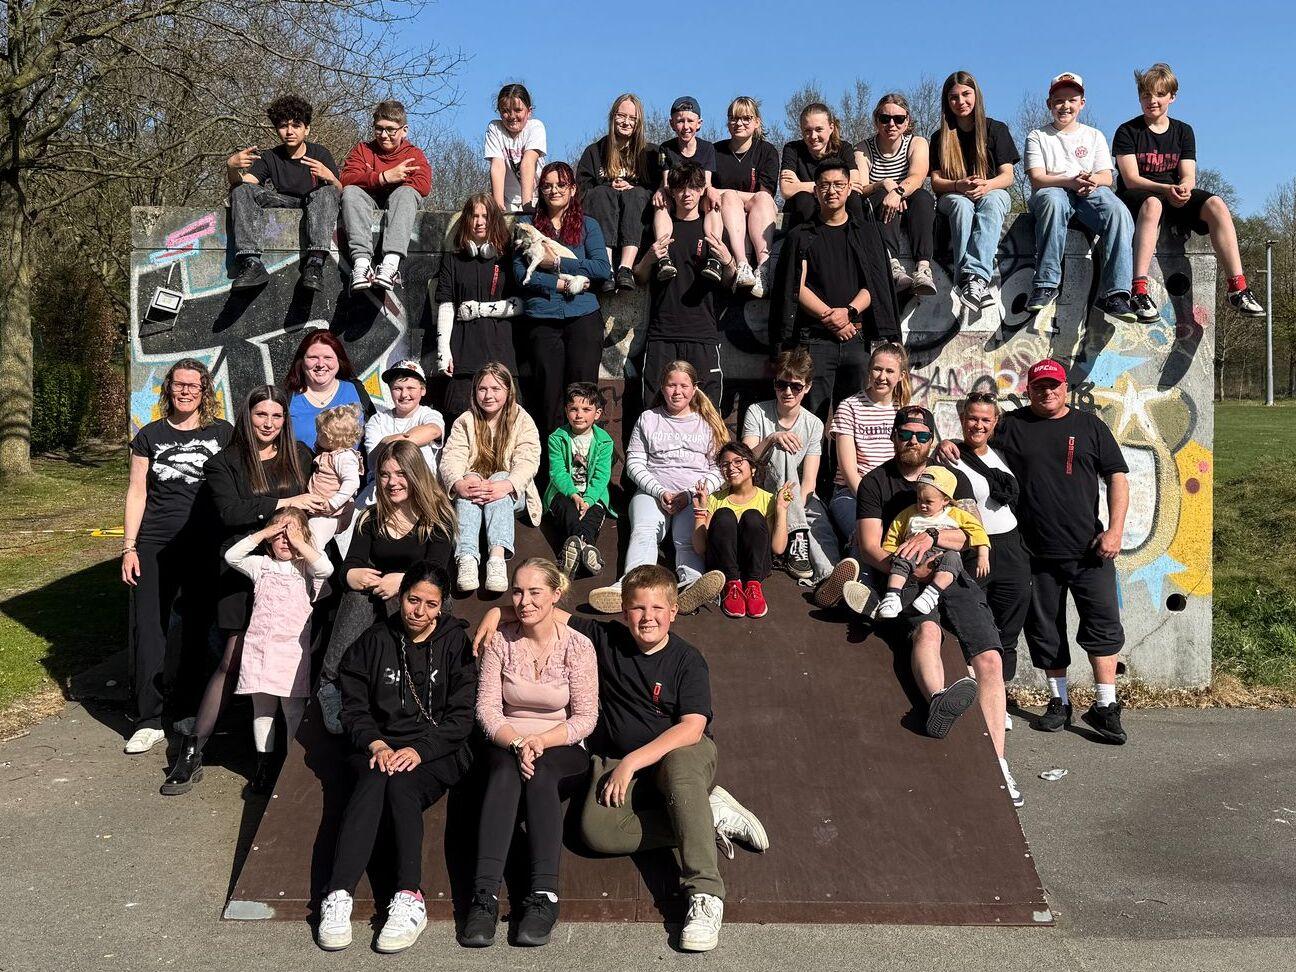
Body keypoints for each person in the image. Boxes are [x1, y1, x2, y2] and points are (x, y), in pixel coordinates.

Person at [473, 565, 770, 953]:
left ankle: (704, 894)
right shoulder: (606, 638)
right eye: (637, 608)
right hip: (616, 760)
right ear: (623, 611)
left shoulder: (686, 659)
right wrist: (496, 612)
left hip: (678, 752)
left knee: (681, 773)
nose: (648, 617)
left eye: (657, 608)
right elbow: (543, 609)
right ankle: (706, 814)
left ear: (674, 611)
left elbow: (692, 728)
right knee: (595, 832)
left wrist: (632, 763)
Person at [942, 360, 1129, 744]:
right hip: (1036, 552)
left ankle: (1105, 704)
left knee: (1103, 625)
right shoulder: (1013, 425)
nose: (1048, 392)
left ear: (1066, 388)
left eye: (1055, 385)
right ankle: (1058, 702)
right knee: (1045, 629)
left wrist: (1115, 529)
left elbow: (1117, 477)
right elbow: (979, 436)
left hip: (1091, 548)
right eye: (1040, 386)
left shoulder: (1089, 426)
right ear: (1029, 389)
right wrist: (950, 444)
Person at [161, 385, 319, 795]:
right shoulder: (225, 463)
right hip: (242, 571)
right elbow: (231, 512)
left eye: (276, 416)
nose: (268, 424)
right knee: (232, 660)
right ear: (247, 418)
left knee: (296, 662)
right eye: (260, 415)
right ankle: (192, 750)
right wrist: (287, 501)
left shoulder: (300, 456)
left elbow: (320, 500)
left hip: (292, 572)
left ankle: (285, 759)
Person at [315, 562, 477, 954]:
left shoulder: (456, 644)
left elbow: (462, 717)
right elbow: (352, 708)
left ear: (442, 608)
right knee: (372, 779)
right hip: (378, 745)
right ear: (401, 597)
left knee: (401, 783)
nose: (418, 611)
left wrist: (419, 751)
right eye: (412, 599)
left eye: (429, 604)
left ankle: (409, 897)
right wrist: (376, 745)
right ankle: (337, 895)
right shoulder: (374, 641)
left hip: (438, 749)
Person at [841, 406, 1005, 750]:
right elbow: (872, 546)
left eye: (922, 435)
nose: (913, 441)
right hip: (908, 577)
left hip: (953, 573)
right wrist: (908, 569)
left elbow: (970, 535)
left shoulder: (951, 478)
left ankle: (1001, 766)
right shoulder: (876, 482)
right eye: (905, 434)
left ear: (932, 440)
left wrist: (932, 535)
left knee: (989, 658)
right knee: (927, 632)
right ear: (893, 436)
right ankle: (939, 701)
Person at [459, 559, 598, 948]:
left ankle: (543, 896)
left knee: (541, 775)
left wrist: (541, 742)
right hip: (507, 741)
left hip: (560, 744)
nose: (523, 601)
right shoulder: (500, 641)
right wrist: (518, 742)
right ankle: (483, 898)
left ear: (557, 595)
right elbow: (486, 710)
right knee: (505, 773)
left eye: (535, 592)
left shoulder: (578, 645)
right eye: (517, 591)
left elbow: (586, 717)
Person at [122, 359, 233, 755]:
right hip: (154, 545)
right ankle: (149, 720)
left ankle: (187, 712)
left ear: (205, 392)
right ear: (168, 388)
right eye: (179, 385)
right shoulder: (149, 435)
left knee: (198, 628)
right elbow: (137, 491)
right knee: (150, 630)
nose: (186, 392)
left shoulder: (223, 433)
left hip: (206, 545)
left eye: (194, 386)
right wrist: (129, 546)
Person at [317, 439, 457, 734]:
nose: (392, 482)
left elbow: (438, 572)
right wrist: (351, 575)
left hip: (426, 599)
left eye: (400, 474)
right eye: (385, 474)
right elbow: (350, 563)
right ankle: (330, 684)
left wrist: (405, 580)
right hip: (379, 598)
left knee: (410, 595)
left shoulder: (436, 519)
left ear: (415, 474)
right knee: (357, 596)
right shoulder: (371, 517)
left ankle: (411, 685)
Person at [1113, 63, 1266, 322]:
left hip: (1173, 194)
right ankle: (1139, 289)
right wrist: (1165, 188)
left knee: (1217, 204)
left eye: (1159, 94)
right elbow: (1131, 178)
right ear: (1139, 96)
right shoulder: (1127, 131)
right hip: (1139, 195)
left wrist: (1184, 188)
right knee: (1153, 204)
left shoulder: (1183, 131)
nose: (1152, 100)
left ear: (1172, 97)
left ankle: (1237, 288)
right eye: (1146, 95)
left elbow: (1188, 174)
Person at [588, 361, 727, 616]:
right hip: (652, 493)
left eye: (684, 386)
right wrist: (658, 491)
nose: (677, 391)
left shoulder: (707, 422)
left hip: (692, 495)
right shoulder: (649, 419)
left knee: (687, 539)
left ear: (694, 389)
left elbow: (720, 469)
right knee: (644, 531)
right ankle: (629, 586)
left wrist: (691, 494)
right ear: (662, 388)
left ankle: (691, 585)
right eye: (671, 385)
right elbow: (634, 464)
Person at [768, 158, 900, 422]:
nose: (832, 191)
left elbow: (877, 284)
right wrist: (833, 318)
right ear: (815, 191)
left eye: (839, 184)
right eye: (825, 185)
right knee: (812, 419)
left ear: (850, 188)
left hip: (857, 341)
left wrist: (849, 312)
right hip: (814, 341)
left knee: (854, 419)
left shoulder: (867, 233)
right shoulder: (801, 235)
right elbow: (796, 285)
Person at [223, 507, 331, 794]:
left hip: (291, 653)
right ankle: (263, 766)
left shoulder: (307, 570)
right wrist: (264, 532)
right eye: (279, 534)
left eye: (292, 533)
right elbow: (231, 556)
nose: (285, 539)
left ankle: (288, 767)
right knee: (262, 709)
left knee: (293, 709)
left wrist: (300, 544)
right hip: (260, 648)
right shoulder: (261, 565)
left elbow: (327, 568)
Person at [946, 391, 1030, 736]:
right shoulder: (949, 456)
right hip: (974, 548)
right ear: (962, 419)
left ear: (995, 423)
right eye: (972, 418)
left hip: (1011, 546)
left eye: (985, 419)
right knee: (975, 623)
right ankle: (974, 698)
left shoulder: (1004, 455)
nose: (978, 425)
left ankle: (1000, 700)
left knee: (1009, 621)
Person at [1024, 73, 1137, 323]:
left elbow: (1107, 176)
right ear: (1049, 104)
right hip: (1054, 189)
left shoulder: (1094, 135)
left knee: (1118, 212)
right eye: (1059, 100)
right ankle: (1046, 283)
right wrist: (1069, 181)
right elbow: (1038, 178)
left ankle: (1116, 293)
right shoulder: (1038, 135)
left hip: (1089, 191)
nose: (1065, 106)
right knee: (1053, 201)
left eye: (1072, 100)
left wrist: (1092, 181)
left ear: (1082, 103)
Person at [513, 161, 612, 436]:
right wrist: (560, 283)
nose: (554, 190)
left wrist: (556, 262)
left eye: (560, 185)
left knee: (583, 397)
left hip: (583, 318)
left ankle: (584, 469)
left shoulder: (588, 225)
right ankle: (550, 472)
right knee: (548, 398)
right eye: (547, 185)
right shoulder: (525, 224)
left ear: (572, 189)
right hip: (542, 320)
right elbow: (522, 274)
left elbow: (602, 269)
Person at [634, 161, 736, 407]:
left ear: (702, 190)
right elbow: (639, 276)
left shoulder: (713, 227)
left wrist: (728, 261)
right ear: (671, 191)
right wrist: (650, 257)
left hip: (703, 334)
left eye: (693, 188)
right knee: (654, 409)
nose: (687, 194)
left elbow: (730, 281)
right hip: (662, 334)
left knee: (707, 413)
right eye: (680, 188)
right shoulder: (658, 228)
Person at [439, 363, 542, 594]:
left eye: (496, 388)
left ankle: (496, 559)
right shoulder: (465, 420)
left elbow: (528, 459)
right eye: (482, 389)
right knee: (471, 479)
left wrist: (506, 485)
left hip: (510, 494)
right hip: (473, 493)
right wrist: (459, 484)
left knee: (501, 475)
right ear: (475, 391)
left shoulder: (521, 419)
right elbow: (452, 456)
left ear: (508, 390)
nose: (488, 395)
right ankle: (466, 557)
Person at [814, 342, 912, 583]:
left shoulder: (906, 411)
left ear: (900, 376)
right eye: (877, 369)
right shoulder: (850, 407)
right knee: (866, 535)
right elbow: (848, 470)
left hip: (896, 495)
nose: (882, 377)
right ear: (869, 370)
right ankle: (858, 592)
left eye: (890, 371)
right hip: (851, 493)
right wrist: (876, 505)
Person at [226, 94, 341, 291]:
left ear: (307, 129)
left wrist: (329, 176)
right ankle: (252, 263)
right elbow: (245, 187)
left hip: (313, 202)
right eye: (283, 126)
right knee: (241, 191)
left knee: (328, 191)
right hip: (282, 201)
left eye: (296, 125)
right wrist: (231, 168)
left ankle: (315, 263)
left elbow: (339, 192)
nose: (289, 131)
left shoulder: (320, 153)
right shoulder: (270, 156)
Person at [929, 71, 1020, 314]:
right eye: (954, 97)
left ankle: (973, 281)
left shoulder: (996, 129)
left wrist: (986, 185)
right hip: (954, 195)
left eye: (966, 94)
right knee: (962, 206)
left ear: (976, 95)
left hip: (990, 190)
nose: (961, 102)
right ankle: (972, 280)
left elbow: (1007, 176)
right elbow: (936, 182)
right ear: (947, 102)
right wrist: (959, 185)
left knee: (995, 199)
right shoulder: (940, 137)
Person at [433, 193, 521, 423]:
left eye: (485, 216)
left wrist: (480, 309)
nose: (480, 221)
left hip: (501, 352)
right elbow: (445, 304)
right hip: (463, 356)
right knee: (460, 422)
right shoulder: (453, 260)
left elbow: (521, 305)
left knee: (505, 425)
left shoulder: (508, 259)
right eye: (474, 215)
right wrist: (444, 351)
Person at [741, 348, 824, 582]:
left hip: (793, 495)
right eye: (781, 385)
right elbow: (745, 461)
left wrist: (794, 504)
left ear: (807, 387)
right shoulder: (757, 412)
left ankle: (829, 577)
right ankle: (797, 535)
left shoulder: (814, 424)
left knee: (821, 529)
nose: (787, 392)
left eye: (796, 386)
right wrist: (771, 438)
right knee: (782, 447)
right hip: (760, 487)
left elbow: (809, 481)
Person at [691, 442, 791, 620]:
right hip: (723, 566)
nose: (731, 468)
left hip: (755, 567)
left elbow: (777, 548)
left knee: (752, 516)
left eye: (738, 461)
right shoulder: (715, 499)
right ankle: (732, 586)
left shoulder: (768, 499)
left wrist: (781, 509)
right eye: (725, 464)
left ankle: (753, 587)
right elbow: (700, 548)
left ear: (752, 468)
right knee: (724, 515)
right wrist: (700, 512)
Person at [340, 99, 432, 293]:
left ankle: (390, 265)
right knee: (350, 192)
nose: (384, 135)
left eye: (391, 130)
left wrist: (395, 184)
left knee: (407, 193)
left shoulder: (414, 154)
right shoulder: (363, 150)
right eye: (378, 129)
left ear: (404, 130)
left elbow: (423, 186)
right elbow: (346, 179)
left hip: (399, 206)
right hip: (367, 203)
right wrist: (383, 178)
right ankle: (362, 265)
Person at [875, 466, 990, 620]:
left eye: (928, 501)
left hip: (942, 554)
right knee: (902, 558)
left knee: (953, 561)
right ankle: (892, 595)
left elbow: (977, 530)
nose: (922, 505)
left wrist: (983, 555)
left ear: (945, 500)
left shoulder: (955, 514)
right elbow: (894, 532)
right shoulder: (909, 513)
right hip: (914, 551)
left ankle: (932, 592)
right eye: (919, 499)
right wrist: (891, 552)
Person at [856, 93, 937, 297]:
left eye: (898, 119)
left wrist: (898, 192)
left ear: (907, 120)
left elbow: (918, 176)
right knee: (879, 193)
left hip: (909, 203)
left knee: (923, 197)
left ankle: (923, 269)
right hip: (879, 210)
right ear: (876, 120)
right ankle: (892, 263)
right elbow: (861, 187)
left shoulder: (916, 143)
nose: (891, 124)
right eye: (885, 118)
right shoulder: (863, 149)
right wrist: (884, 184)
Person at [576, 93, 658, 292]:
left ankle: (625, 268)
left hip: (637, 223)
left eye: (632, 118)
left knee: (636, 194)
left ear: (639, 123)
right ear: (613, 116)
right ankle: (606, 269)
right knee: (601, 194)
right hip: (603, 216)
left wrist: (633, 188)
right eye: (622, 116)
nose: (626, 122)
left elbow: (659, 188)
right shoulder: (594, 151)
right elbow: (582, 190)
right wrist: (608, 188)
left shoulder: (650, 153)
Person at [545, 382, 615, 578]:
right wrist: (574, 495)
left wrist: (589, 500)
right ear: (566, 410)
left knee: (592, 516)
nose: (579, 414)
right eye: (574, 409)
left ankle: (574, 552)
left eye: (586, 409)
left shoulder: (604, 441)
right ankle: (587, 549)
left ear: (598, 413)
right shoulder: (557, 438)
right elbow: (557, 472)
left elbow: (602, 476)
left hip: (594, 495)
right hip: (564, 492)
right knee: (568, 512)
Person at [650, 96, 723, 281]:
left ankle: (714, 257)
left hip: (698, 200)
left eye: (690, 121)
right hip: (676, 199)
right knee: (662, 201)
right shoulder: (666, 148)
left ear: (699, 123)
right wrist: (661, 190)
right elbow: (667, 182)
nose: (685, 126)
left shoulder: (707, 148)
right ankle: (663, 256)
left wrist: (711, 190)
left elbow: (706, 182)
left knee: (711, 200)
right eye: (680, 121)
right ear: (672, 124)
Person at [714, 96, 779, 295]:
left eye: (746, 118)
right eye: (733, 118)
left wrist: (727, 192)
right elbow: (709, 192)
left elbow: (764, 194)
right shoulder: (715, 151)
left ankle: (764, 268)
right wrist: (730, 195)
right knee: (730, 199)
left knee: (760, 199)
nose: (739, 123)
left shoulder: (766, 151)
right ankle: (742, 265)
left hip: (759, 208)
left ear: (757, 122)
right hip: (725, 210)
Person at [359, 359, 444, 506]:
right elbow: (373, 462)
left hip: (421, 489)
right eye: (398, 388)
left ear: (422, 390)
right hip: (384, 491)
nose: (404, 394)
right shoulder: (378, 420)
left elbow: (433, 430)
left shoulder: (429, 414)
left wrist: (388, 442)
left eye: (411, 388)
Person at [283, 329, 374, 450]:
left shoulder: (355, 390)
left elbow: (374, 432)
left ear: (339, 360)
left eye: (328, 357)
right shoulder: (286, 397)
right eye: (313, 357)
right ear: (301, 362)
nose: (320, 364)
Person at [779, 102, 865, 230]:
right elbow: (786, 190)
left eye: (819, 129)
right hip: (803, 214)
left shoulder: (843, 148)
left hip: (838, 209)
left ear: (831, 127)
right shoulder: (793, 149)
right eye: (807, 131)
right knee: (803, 199)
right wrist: (833, 185)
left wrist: (802, 186)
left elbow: (854, 183)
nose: (813, 136)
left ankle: (859, 242)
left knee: (853, 198)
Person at [305, 404, 363, 551]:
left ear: (330, 437)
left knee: (314, 541)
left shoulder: (344, 457)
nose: (316, 436)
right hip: (321, 511)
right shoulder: (330, 454)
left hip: (331, 513)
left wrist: (333, 503)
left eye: (319, 433)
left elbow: (352, 483)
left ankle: (320, 566)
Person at [485, 83, 546, 214]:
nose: (512, 116)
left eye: (518, 110)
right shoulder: (495, 128)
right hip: (508, 199)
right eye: (506, 111)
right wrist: (498, 205)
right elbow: (497, 166)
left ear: (529, 111)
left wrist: (527, 205)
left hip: (534, 197)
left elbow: (528, 163)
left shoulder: (536, 127)